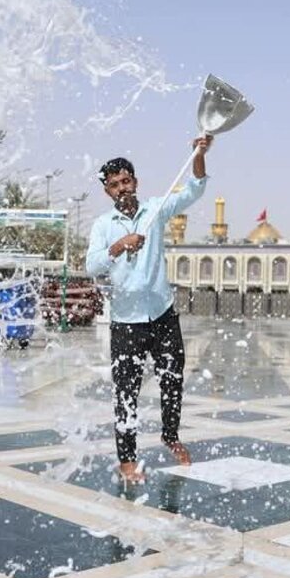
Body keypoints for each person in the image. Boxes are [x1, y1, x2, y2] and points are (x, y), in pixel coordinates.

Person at [86, 136, 213, 483]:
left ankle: (170, 435)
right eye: (114, 185)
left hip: (163, 315)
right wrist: (118, 245)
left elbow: (195, 188)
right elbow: (91, 266)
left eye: (126, 181)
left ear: (135, 182)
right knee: (125, 391)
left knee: (172, 381)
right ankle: (127, 459)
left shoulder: (155, 210)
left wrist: (198, 154)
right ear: (107, 191)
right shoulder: (103, 225)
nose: (121, 188)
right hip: (126, 323)